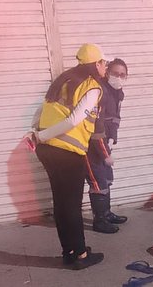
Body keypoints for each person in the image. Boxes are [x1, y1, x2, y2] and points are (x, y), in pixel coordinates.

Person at [25, 43, 108, 269]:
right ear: (96, 64)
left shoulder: (64, 79)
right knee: (72, 205)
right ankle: (81, 255)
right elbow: (73, 120)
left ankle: (69, 251)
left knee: (61, 203)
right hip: (67, 152)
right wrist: (40, 136)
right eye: (104, 63)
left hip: (47, 150)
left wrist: (36, 133)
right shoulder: (92, 87)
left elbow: (41, 110)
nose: (105, 67)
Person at [85, 58, 129, 234]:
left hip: (104, 144)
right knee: (98, 183)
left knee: (107, 179)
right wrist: (105, 154)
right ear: (107, 72)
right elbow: (96, 130)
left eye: (122, 75)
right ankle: (99, 220)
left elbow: (112, 121)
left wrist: (111, 142)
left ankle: (106, 213)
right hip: (92, 147)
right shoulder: (100, 93)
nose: (119, 77)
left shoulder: (116, 92)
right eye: (115, 73)